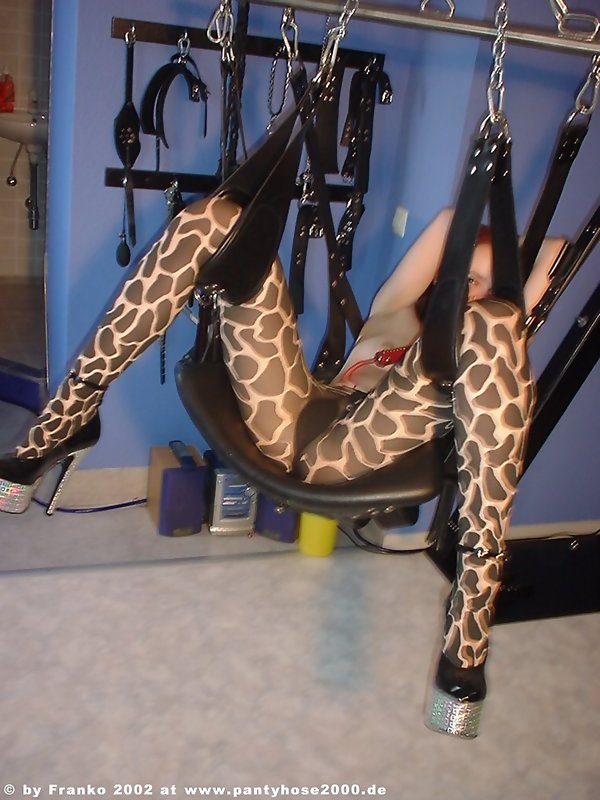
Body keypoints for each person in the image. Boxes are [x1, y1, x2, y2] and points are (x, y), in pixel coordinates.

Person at [0, 177, 565, 736]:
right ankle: (67, 417)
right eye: (467, 276)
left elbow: (552, 256)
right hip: (293, 413)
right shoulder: (395, 311)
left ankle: (471, 618)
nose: (472, 291)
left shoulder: (477, 351)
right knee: (218, 219)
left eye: (489, 283)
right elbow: (446, 224)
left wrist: (502, 276)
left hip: (356, 453)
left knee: (490, 325)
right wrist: (488, 173)